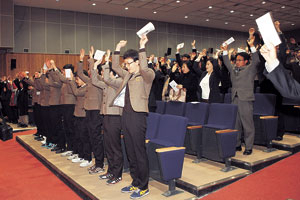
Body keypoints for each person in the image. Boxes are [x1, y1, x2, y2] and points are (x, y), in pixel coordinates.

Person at [110, 35, 155, 199]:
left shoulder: (147, 75)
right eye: (126, 63)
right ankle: (135, 182)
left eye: (129, 63)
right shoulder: (127, 75)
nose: (126, 66)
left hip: (138, 116)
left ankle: (144, 186)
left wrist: (142, 47)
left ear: (137, 62)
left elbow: (145, 69)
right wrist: (117, 48)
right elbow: (115, 66)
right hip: (126, 115)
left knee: (139, 151)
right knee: (130, 150)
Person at [221, 28, 260, 155]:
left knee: (247, 124)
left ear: (245, 61)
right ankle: (237, 144)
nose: (236, 62)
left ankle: (248, 147)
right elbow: (226, 62)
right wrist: (225, 50)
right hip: (235, 99)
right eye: (236, 60)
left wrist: (252, 46)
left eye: (239, 60)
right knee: (236, 123)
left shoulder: (250, 69)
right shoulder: (233, 70)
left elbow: (257, 61)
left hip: (246, 99)